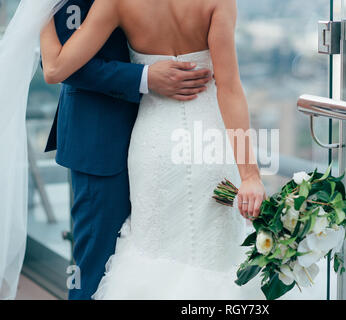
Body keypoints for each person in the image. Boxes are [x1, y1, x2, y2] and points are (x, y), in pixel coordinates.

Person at [40, 0, 267, 299]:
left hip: (153, 146)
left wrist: (38, 14)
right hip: (209, 143)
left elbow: (55, 68)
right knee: (217, 261)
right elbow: (230, 88)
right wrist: (250, 175)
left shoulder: (116, 3)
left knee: (151, 255)